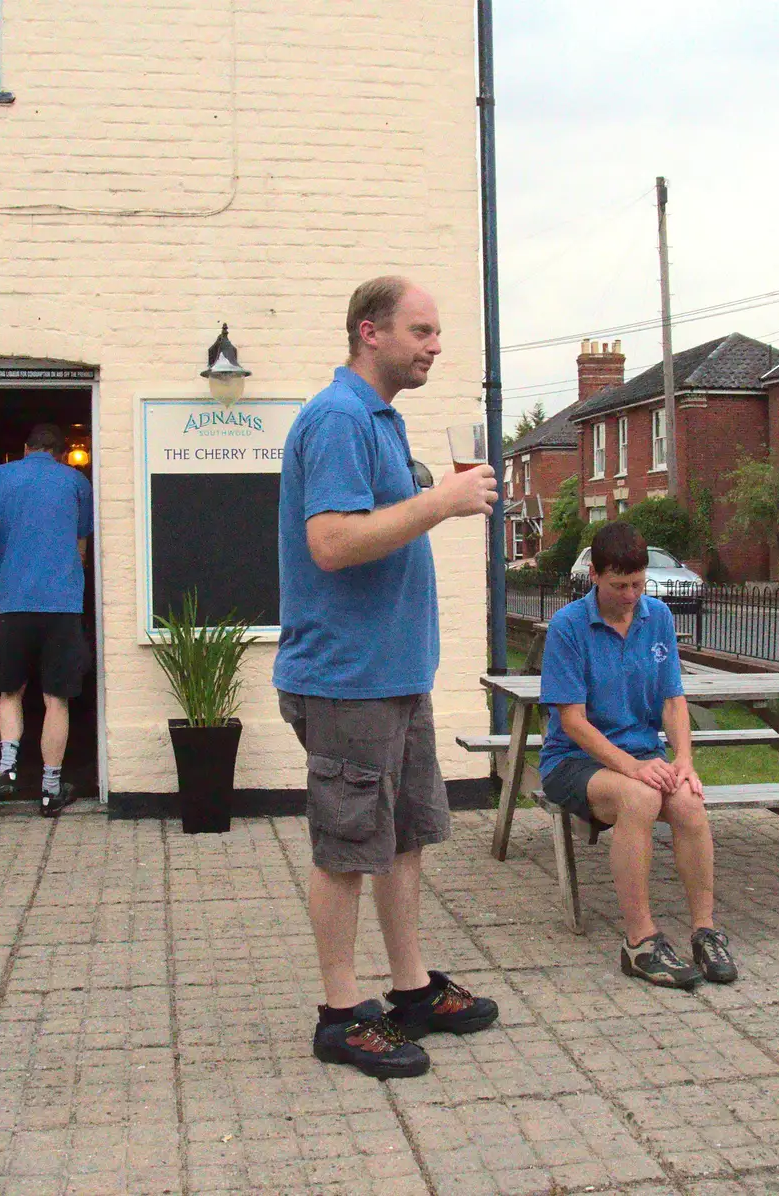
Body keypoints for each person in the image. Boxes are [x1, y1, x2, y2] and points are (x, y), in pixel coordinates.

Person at [274, 276, 501, 1079]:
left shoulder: (379, 420)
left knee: (401, 839)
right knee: (346, 849)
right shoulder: (336, 419)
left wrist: (433, 500)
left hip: (395, 674)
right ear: (370, 332)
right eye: (422, 330)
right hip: (347, 678)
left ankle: (410, 991)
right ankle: (340, 1014)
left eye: (437, 331)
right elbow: (332, 543)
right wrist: (441, 501)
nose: (435, 345)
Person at [538, 521, 739, 988]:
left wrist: (683, 759)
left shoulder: (658, 617)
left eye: (638, 584)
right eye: (619, 585)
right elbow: (572, 722)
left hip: (644, 755)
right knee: (640, 799)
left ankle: (704, 930)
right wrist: (632, 768)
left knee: (689, 801)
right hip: (574, 762)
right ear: (594, 575)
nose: (630, 595)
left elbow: (672, 701)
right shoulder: (569, 626)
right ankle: (639, 942)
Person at [0, 423, 93, 817]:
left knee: (11, 691)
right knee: (55, 699)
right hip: (62, 604)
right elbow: (81, 544)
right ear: (61, 453)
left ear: (26, 449)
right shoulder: (77, 482)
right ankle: (50, 789)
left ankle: (7, 770)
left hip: (13, 603)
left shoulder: (3, 474)